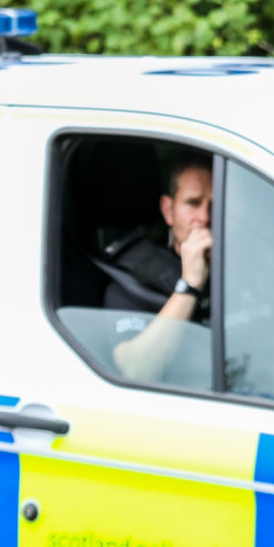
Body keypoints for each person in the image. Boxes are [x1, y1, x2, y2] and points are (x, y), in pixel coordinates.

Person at [104, 154, 212, 381]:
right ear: (168, 210)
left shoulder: (254, 267)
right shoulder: (135, 279)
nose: (205, 217)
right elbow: (136, 370)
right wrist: (190, 284)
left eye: (216, 204)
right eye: (193, 203)